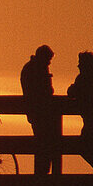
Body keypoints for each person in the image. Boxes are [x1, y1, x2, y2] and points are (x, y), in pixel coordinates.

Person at [67, 51, 93, 174]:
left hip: (91, 120)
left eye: (80, 63)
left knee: (84, 147)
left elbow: (73, 92)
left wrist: (72, 88)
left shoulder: (84, 78)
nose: (78, 66)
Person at [20, 45, 56, 174]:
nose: (49, 62)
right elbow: (45, 91)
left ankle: (42, 173)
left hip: (36, 113)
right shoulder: (36, 69)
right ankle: (43, 174)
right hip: (41, 113)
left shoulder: (30, 67)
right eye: (48, 59)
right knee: (45, 144)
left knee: (42, 144)